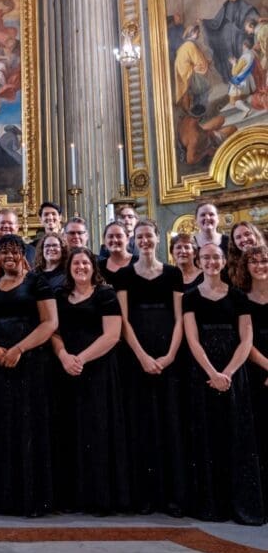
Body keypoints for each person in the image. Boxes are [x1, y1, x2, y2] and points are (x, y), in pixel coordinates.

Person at [0, 235, 57, 516]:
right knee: (2, 426)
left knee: (29, 426)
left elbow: (50, 323)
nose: (9, 256)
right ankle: (2, 498)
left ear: (23, 254)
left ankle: (31, 499)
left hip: (30, 361)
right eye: (3, 252)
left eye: (14, 251)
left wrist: (19, 349)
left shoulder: (38, 283)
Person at [182, 243, 263, 524]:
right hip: (203, 372)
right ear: (198, 260)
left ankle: (238, 505)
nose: (212, 261)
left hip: (233, 371)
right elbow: (192, 339)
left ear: (223, 260)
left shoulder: (238, 296)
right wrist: (212, 373)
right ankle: (211, 505)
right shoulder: (189, 297)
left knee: (236, 435)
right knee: (208, 435)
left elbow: (247, 339)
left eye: (216, 257)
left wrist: (227, 372)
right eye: (206, 257)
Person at [114, 219, 186, 516]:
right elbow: (123, 320)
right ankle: (144, 496)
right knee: (141, 424)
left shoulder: (172, 273)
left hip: (169, 351)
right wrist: (142, 356)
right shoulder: (124, 275)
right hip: (136, 354)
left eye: (149, 236)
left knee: (171, 423)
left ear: (158, 238)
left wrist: (169, 355)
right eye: (139, 236)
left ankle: (172, 497)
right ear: (134, 240)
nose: (144, 240)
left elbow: (181, 317)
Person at [52, 248, 129, 515]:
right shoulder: (60, 296)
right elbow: (54, 330)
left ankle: (99, 498)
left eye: (85, 262)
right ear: (69, 268)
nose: (81, 267)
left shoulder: (105, 294)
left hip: (97, 369)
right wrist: (63, 356)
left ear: (93, 267)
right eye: (76, 263)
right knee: (68, 431)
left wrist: (80, 359)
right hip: (66, 369)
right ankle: (71, 497)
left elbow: (112, 335)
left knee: (97, 432)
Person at [238, 246, 268, 505]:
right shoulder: (243, 298)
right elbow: (245, 339)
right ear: (246, 267)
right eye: (254, 262)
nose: (260, 266)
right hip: (254, 367)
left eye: (265, 261)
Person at [227, 221, 266, 287]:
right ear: (234, 243)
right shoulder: (230, 267)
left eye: (247, 234)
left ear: (256, 235)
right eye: (238, 237)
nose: (244, 239)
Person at [98, 222, 133, 286]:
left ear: (127, 239)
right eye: (110, 236)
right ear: (104, 240)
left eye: (119, 236)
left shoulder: (140, 263)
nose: (115, 240)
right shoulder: (98, 268)